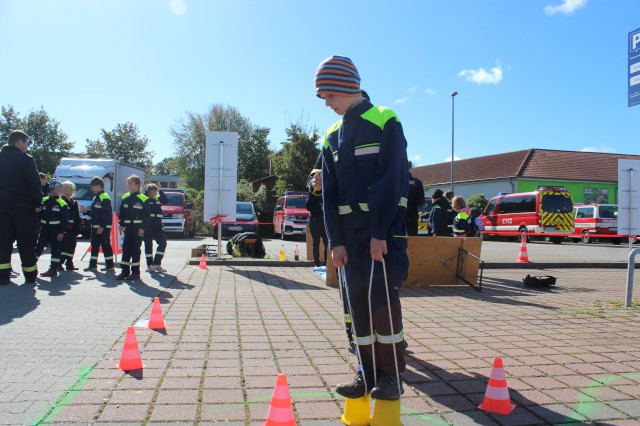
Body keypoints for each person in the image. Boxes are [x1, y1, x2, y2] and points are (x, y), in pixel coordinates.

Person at [317, 55, 408, 400]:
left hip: (380, 231)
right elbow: (330, 194)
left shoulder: (384, 120)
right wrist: (335, 241)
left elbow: (393, 178)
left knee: (381, 304)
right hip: (348, 236)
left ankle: (391, 377)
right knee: (354, 305)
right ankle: (364, 372)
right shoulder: (331, 136)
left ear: (344, 87)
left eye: (328, 96)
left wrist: (379, 233)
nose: (326, 104)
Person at [0, 130, 42, 284]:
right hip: (23, 208)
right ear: (19, 142)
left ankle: (3, 276)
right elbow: (34, 183)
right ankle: (30, 276)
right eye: (26, 143)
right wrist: (37, 203)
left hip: (1, 208)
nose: (26, 147)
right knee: (26, 242)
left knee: (2, 242)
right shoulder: (25, 160)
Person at [35, 179, 69, 277]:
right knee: (39, 247)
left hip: (56, 229)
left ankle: (53, 269)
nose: (60, 189)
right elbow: (39, 215)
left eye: (60, 188)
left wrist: (61, 232)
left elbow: (64, 220)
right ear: (52, 189)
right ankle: (32, 265)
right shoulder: (44, 200)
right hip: (44, 228)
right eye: (58, 187)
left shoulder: (62, 203)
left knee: (55, 249)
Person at [117, 175, 148, 280]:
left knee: (135, 250)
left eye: (131, 183)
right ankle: (124, 271)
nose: (128, 185)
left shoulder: (143, 198)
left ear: (137, 185)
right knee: (126, 249)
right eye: (128, 183)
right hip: (128, 228)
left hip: (137, 228)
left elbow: (146, 215)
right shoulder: (125, 197)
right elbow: (122, 212)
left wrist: (142, 228)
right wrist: (122, 224)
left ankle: (135, 272)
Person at [81, 177, 114, 272]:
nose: (91, 188)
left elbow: (107, 213)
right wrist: (86, 211)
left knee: (105, 245)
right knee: (94, 246)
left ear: (99, 186)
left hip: (102, 227)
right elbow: (96, 213)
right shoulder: (96, 197)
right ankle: (93, 265)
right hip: (95, 226)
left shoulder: (104, 196)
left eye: (93, 186)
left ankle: (110, 265)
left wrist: (102, 226)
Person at [306, 170, 328, 268]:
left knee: (327, 242)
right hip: (314, 221)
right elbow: (308, 206)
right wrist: (320, 208)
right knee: (316, 243)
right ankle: (317, 263)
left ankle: (328, 263)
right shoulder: (312, 193)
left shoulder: (324, 192)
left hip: (323, 221)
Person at [143, 183, 167, 273]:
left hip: (158, 225)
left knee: (163, 242)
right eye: (150, 191)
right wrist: (145, 192)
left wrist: (160, 190)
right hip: (148, 225)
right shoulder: (145, 200)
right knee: (148, 246)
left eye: (154, 190)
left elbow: (165, 200)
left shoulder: (159, 200)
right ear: (148, 192)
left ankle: (156, 263)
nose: (152, 192)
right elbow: (143, 199)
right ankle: (150, 266)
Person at [60, 180, 80, 270]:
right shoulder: (61, 201)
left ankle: (69, 263)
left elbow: (76, 215)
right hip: (64, 228)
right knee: (63, 246)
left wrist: (80, 223)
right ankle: (59, 263)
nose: (72, 191)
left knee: (72, 245)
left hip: (72, 228)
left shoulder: (74, 202)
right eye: (70, 189)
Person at [406, 162, 425, 236]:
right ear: (410, 167)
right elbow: (420, 202)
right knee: (412, 243)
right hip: (411, 217)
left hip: (395, 218)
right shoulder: (417, 182)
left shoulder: (394, 181)